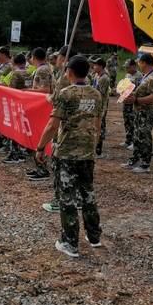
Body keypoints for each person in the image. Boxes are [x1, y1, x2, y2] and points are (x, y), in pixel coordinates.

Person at [35, 55, 102, 258]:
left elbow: (53, 124)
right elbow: (97, 124)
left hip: (67, 153)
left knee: (67, 198)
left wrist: (40, 147)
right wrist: (92, 144)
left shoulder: (66, 94)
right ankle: (94, 236)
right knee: (88, 194)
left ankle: (70, 242)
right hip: (87, 152)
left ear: (70, 72)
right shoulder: (96, 94)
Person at [42, 45, 72, 213]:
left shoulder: (65, 78)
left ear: (64, 58)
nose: (57, 61)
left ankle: (59, 201)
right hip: (78, 130)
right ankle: (75, 199)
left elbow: (55, 100)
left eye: (59, 58)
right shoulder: (83, 80)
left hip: (63, 126)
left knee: (60, 165)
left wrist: (47, 97)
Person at [124, 53, 153, 173]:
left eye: (139, 62)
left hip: (146, 112)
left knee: (144, 137)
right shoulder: (146, 76)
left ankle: (145, 164)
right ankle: (135, 160)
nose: (138, 64)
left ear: (144, 63)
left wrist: (136, 100)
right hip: (140, 111)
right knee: (137, 136)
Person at [26, 47, 55, 182]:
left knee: (40, 136)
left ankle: (42, 169)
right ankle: (39, 166)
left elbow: (45, 90)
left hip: (42, 107)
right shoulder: (46, 68)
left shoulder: (42, 70)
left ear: (34, 57)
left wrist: (25, 91)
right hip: (42, 106)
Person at [2, 53, 29, 164]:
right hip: (26, 103)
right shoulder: (29, 73)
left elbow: (11, 90)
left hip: (15, 104)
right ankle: (22, 152)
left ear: (14, 62)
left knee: (14, 129)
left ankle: (14, 154)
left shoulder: (15, 73)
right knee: (22, 129)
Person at [90, 57, 111, 158]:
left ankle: (99, 150)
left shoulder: (104, 78)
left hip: (101, 106)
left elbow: (100, 94)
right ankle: (95, 147)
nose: (93, 67)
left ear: (101, 66)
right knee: (95, 126)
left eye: (95, 65)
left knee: (100, 127)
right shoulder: (96, 76)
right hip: (95, 105)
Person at [120, 59, 141, 149]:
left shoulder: (139, 76)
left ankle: (134, 141)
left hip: (133, 102)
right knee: (127, 121)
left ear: (133, 66)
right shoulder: (127, 75)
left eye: (128, 67)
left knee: (134, 122)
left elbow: (139, 90)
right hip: (126, 102)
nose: (126, 69)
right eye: (126, 67)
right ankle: (128, 140)